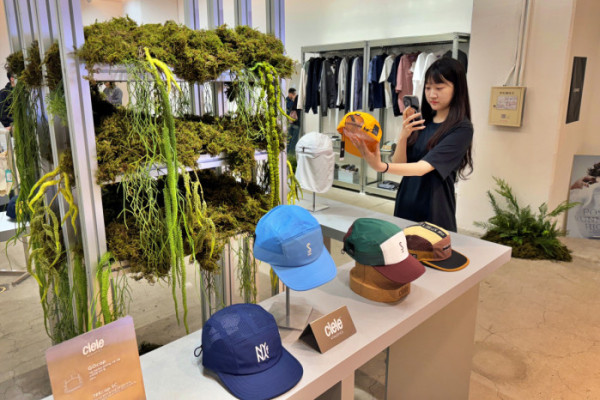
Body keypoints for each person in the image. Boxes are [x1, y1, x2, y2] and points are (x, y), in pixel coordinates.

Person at [349, 58, 473, 232]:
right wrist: (403, 135)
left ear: (457, 89)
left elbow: (422, 168)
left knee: (429, 248)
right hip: (406, 201)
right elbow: (400, 164)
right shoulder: (422, 121)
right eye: (428, 88)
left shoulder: (462, 129)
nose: (432, 94)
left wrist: (380, 166)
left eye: (439, 88)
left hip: (434, 209)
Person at [286, 88, 301, 155]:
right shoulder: (286, 100)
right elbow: (288, 107)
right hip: (290, 123)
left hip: (295, 123)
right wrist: (293, 100)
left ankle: (291, 154)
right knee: (289, 139)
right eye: (293, 94)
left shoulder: (297, 100)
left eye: (295, 94)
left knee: (293, 140)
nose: (294, 95)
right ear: (290, 93)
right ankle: (288, 154)